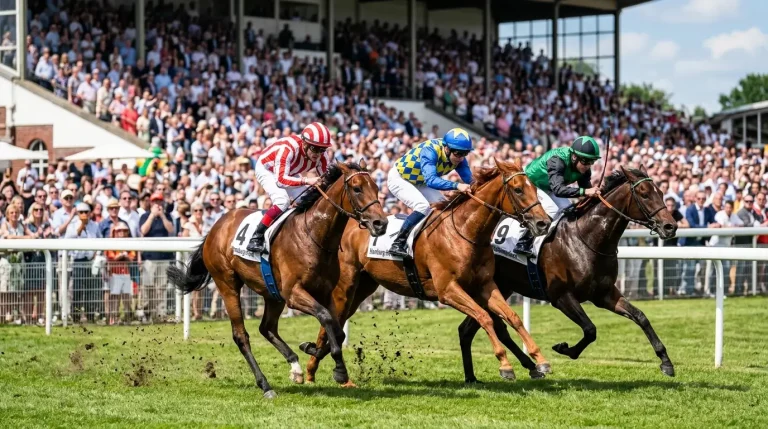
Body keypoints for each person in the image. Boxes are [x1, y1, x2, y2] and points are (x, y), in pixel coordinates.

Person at [245, 122, 333, 253]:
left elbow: (327, 182)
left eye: (322, 149)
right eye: (314, 148)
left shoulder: (321, 156)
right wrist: (307, 181)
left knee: (310, 200)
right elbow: (281, 181)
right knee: (282, 200)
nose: (318, 154)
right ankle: (256, 237)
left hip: (290, 171)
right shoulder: (288, 148)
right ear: (304, 143)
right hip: (267, 169)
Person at [387, 128, 474, 257]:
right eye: (458, 153)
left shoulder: (458, 157)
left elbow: (471, 181)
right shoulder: (430, 150)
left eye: (465, 154)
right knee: (422, 206)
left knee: (445, 207)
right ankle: (398, 243)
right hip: (400, 178)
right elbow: (431, 180)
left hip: (420, 182)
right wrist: (457, 185)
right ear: (447, 148)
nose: (461, 158)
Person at [514, 135, 601, 256]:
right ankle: (523, 242)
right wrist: (585, 192)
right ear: (574, 156)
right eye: (585, 161)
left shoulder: (584, 168)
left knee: (569, 210)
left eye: (592, 161)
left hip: (548, 187)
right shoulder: (558, 160)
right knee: (553, 210)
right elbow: (558, 190)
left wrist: (597, 194)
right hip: (530, 183)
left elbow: (587, 191)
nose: (588, 165)